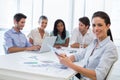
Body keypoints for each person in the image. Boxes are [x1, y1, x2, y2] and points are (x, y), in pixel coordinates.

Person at [58, 11, 118, 80]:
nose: (96, 29)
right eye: (94, 25)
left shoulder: (110, 48)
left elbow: (98, 76)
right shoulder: (94, 43)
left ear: (108, 26)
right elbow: (79, 55)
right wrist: (67, 58)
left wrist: (69, 64)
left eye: (100, 25)